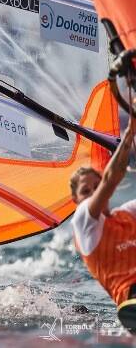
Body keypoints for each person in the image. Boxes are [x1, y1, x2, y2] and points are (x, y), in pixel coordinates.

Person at [70, 98, 136, 330]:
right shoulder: (83, 222)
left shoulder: (128, 213)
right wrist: (129, 134)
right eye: (86, 191)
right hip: (131, 301)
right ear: (76, 200)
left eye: (96, 187)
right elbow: (110, 179)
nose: (93, 193)